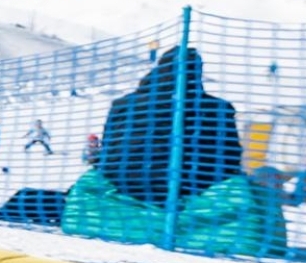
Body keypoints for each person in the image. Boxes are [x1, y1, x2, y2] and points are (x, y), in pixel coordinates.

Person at [99, 46, 242, 204]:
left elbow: (107, 150)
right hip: (192, 189)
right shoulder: (218, 109)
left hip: (125, 185)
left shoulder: (123, 105)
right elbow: (231, 158)